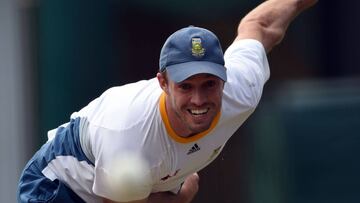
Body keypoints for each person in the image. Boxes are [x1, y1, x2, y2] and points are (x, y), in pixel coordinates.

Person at [17, 0, 317, 202]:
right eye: (186, 86)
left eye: (209, 84)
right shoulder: (128, 131)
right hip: (60, 185)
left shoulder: (242, 88)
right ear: (163, 83)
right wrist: (181, 198)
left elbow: (261, 25)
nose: (198, 99)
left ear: (225, 79)